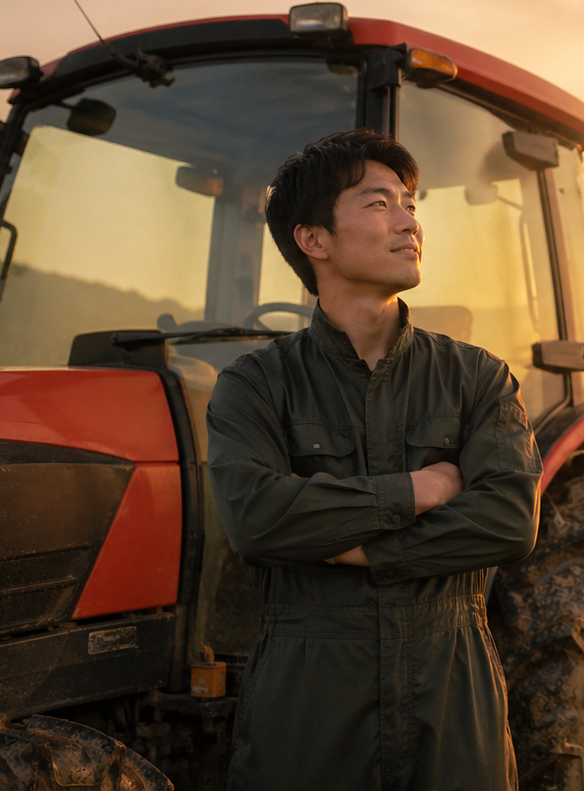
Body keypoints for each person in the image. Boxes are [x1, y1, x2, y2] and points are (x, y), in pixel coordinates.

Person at [206, 129, 541, 790]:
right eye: (379, 203)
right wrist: (417, 488)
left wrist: (358, 546)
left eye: (411, 204)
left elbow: (507, 518)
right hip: (308, 706)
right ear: (314, 240)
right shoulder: (254, 385)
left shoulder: (476, 378)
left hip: (453, 693)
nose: (409, 221)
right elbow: (256, 519)